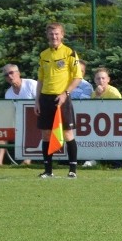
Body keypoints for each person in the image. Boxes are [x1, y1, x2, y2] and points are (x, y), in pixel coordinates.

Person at [35, 21, 83, 179]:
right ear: (47, 35)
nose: (54, 36)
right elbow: (40, 79)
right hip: (46, 98)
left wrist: (65, 94)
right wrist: (37, 100)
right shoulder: (44, 55)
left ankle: (72, 170)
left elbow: (77, 77)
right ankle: (48, 171)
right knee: (46, 134)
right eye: (51, 34)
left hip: (62, 98)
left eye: (57, 34)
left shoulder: (70, 53)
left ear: (62, 35)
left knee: (68, 133)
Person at [0, 64, 37, 165]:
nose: (9, 76)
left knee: (29, 129)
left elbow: (42, 103)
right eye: (6, 75)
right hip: (18, 122)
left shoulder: (31, 84)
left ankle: (27, 161)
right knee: (3, 132)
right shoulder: (8, 94)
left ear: (18, 73)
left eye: (11, 73)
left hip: (36, 120)